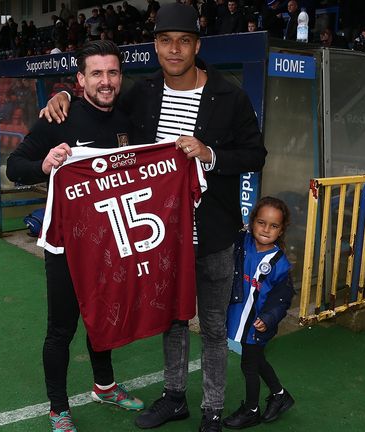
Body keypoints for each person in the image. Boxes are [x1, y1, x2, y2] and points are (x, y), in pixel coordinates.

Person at [41, 4, 267, 430]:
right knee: (173, 320)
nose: (175, 50)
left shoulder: (229, 94)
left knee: (215, 328)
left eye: (184, 41)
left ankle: (213, 409)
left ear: (197, 46)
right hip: (162, 235)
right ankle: (175, 397)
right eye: (166, 41)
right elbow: (99, 95)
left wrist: (211, 154)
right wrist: (65, 95)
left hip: (214, 232)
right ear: (156, 47)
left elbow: (256, 153)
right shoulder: (142, 92)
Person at [6, 40, 144, 432]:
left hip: (110, 241)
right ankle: (59, 408)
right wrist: (45, 164)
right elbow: (15, 166)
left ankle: (105, 386)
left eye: (112, 72)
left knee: (103, 317)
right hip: (67, 244)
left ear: (121, 77)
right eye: (96, 73)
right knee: (62, 328)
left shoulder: (127, 119)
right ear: (81, 79)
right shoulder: (59, 118)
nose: (106, 81)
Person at [222, 196, 295, 429]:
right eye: (262, 222)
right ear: (252, 223)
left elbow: (282, 298)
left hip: (257, 323)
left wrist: (268, 318)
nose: (266, 229)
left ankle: (251, 410)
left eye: (274, 226)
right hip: (239, 317)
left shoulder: (279, 263)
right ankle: (280, 395)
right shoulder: (243, 243)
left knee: (249, 365)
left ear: (281, 230)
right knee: (256, 359)